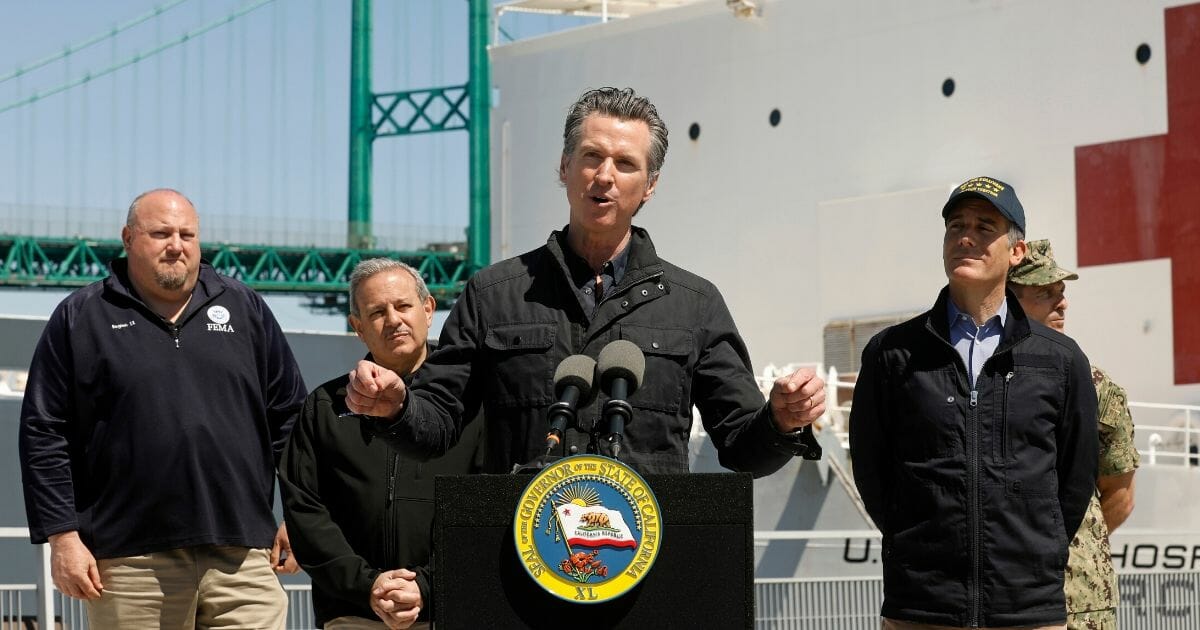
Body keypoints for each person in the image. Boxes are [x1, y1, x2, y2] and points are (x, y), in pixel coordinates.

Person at [345, 87, 825, 476]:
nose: (605, 176)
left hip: (646, 560)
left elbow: (741, 446)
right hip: (522, 558)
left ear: (650, 186)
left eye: (626, 164)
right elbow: (439, 424)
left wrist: (782, 420)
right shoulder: (493, 295)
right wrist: (397, 407)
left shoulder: (695, 304)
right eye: (591, 156)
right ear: (564, 168)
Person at [19, 189, 307, 628]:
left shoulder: (245, 308)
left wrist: (300, 514)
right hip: (129, 561)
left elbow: (291, 417)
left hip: (244, 556)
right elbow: (44, 432)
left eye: (187, 234)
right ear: (128, 238)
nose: (177, 244)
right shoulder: (81, 316)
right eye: (161, 233)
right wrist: (63, 538)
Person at [849, 176, 1099, 629]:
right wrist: (912, 542)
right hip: (921, 607)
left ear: (1016, 251)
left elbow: (1076, 478)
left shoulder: (1060, 360)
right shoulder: (892, 354)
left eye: (985, 227)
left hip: (1027, 610)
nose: (965, 236)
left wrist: (1039, 551)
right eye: (956, 226)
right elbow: (872, 467)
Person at [279, 259, 485, 630]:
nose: (393, 320)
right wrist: (367, 585)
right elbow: (306, 511)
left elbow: (487, 504)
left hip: (451, 610)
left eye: (403, 306)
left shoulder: (474, 406)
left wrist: (428, 585)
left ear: (428, 309)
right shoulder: (325, 406)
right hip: (352, 613)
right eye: (377, 312)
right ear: (358, 328)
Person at [1008, 239, 1139, 630]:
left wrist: (1057, 545)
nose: (1061, 303)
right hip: (1000, 598)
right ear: (1008, 301)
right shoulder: (976, 380)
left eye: (1061, 293)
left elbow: (1120, 495)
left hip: (1079, 598)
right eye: (1044, 293)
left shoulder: (1096, 387)